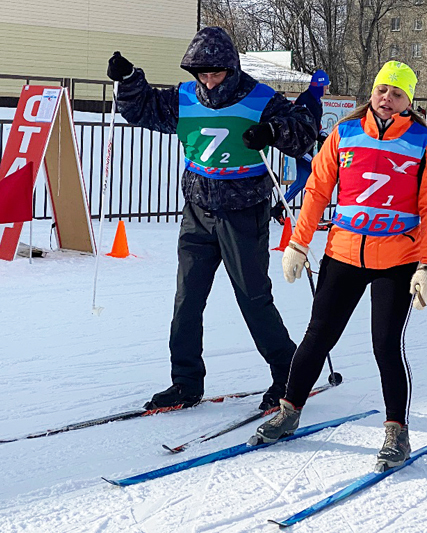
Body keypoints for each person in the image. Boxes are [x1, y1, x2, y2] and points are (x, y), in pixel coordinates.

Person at [106, 27, 317, 412]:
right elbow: (142, 109)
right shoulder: (185, 98)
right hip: (197, 213)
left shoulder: (260, 98)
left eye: (216, 73)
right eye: (201, 73)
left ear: (232, 68)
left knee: (253, 299)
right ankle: (185, 383)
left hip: (243, 214)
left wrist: (271, 131)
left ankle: (288, 376)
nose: (208, 81)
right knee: (187, 300)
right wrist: (129, 79)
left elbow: (304, 132)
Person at [252, 61, 427, 471]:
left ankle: (397, 431)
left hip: (397, 260)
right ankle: (289, 411)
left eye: (397, 93)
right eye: (382, 90)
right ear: (372, 92)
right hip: (343, 255)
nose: (387, 99)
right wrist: (298, 243)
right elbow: (318, 189)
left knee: (385, 346)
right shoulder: (345, 132)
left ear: (409, 101)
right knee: (317, 337)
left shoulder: (424, 142)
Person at [271, 69, 330, 225]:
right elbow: (300, 123)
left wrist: (321, 134)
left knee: (303, 180)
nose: (327, 89)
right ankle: (311, 217)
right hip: (299, 145)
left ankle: (279, 208)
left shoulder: (316, 100)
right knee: (315, 177)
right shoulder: (306, 100)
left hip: (307, 145)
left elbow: (314, 125)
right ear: (319, 85)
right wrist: (316, 135)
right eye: (325, 86)